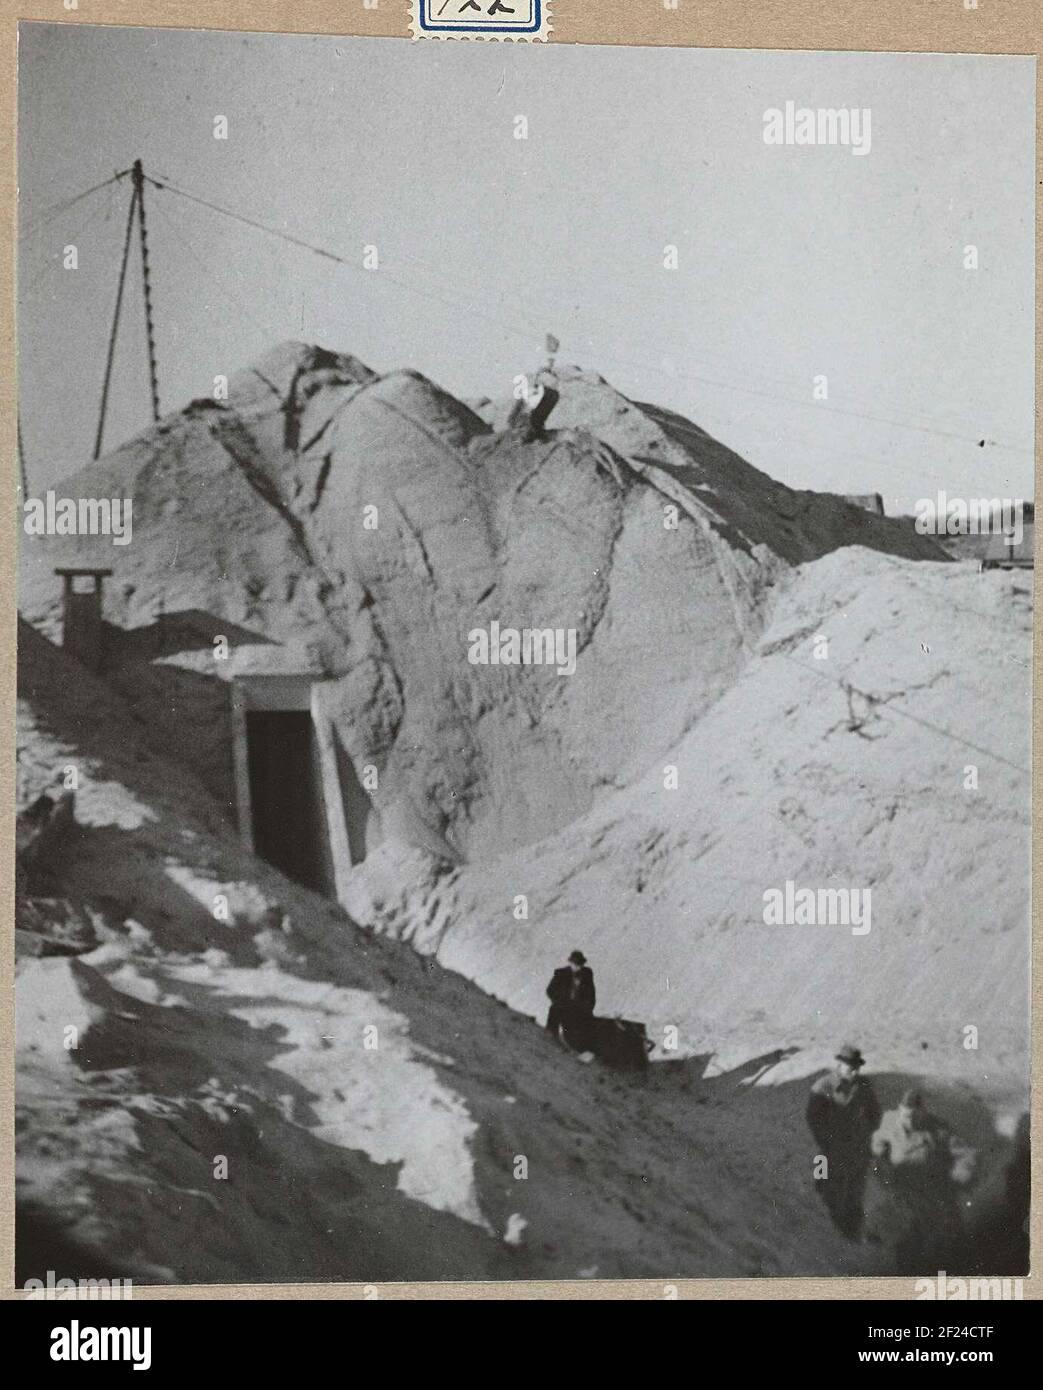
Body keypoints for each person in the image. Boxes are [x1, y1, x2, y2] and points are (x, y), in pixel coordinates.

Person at [869, 1088, 975, 1273]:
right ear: (900, 1111)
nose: (908, 1119)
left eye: (914, 1115)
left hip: (935, 1192)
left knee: (950, 1241)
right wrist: (880, 1161)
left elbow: (965, 1154)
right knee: (908, 1240)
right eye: (905, 1114)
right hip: (903, 1191)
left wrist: (960, 1174)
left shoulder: (938, 1129)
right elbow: (876, 1144)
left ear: (924, 1113)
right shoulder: (890, 1121)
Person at [805, 1043, 882, 1240]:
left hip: (857, 1150)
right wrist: (828, 1140)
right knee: (827, 1188)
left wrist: (864, 1133)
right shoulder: (823, 1086)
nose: (854, 1071)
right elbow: (813, 1118)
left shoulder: (864, 1086)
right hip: (829, 1151)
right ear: (839, 1064)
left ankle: (853, 1233)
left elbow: (875, 1115)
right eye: (850, 1066)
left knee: (855, 1193)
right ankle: (830, 1234)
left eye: (857, 1067)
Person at [545, 950, 596, 1051]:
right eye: (575, 963)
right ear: (570, 963)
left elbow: (591, 995)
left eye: (579, 964)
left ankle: (579, 1046)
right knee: (554, 1011)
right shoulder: (560, 973)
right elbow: (550, 990)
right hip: (562, 1006)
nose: (577, 966)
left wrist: (588, 1008)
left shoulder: (587, 974)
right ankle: (551, 1035)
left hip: (578, 1009)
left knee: (576, 1034)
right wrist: (558, 1001)